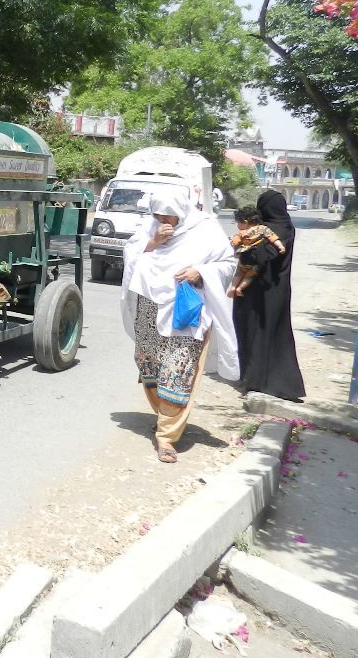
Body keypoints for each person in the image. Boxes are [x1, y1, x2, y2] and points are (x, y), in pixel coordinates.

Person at [121, 188, 238, 463]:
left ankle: (166, 437)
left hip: (186, 310)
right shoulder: (149, 227)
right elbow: (131, 256)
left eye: (169, 215)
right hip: (150, 306)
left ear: (182, 212)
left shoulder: (206, 229)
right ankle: (163, 415)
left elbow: (227, 263)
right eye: (158, 214)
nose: (164, 219)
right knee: (148, 363)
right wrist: (153, 242)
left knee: (178, 371)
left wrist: (201, 272)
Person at [233, 190, 306, 401]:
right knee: (275, 334)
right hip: (278, 290)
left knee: (255, 331)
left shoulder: (269, 230)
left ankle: (255, 380)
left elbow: (261, 256)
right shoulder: (286, 226)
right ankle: (272, 379)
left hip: (259, 291)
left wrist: (243, 249)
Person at [227, 206, 286, 298]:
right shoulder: (263, 228)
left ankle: (234, 287)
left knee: (239, 273)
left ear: (245, 222)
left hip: (244, 257)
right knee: (249, 276)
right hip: (254, 259)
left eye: (238, 223)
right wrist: (281, 246)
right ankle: (240, 288)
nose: (238, 226)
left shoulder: (241, 233)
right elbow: (273, 238)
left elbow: (234, 243)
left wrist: (232, 242)